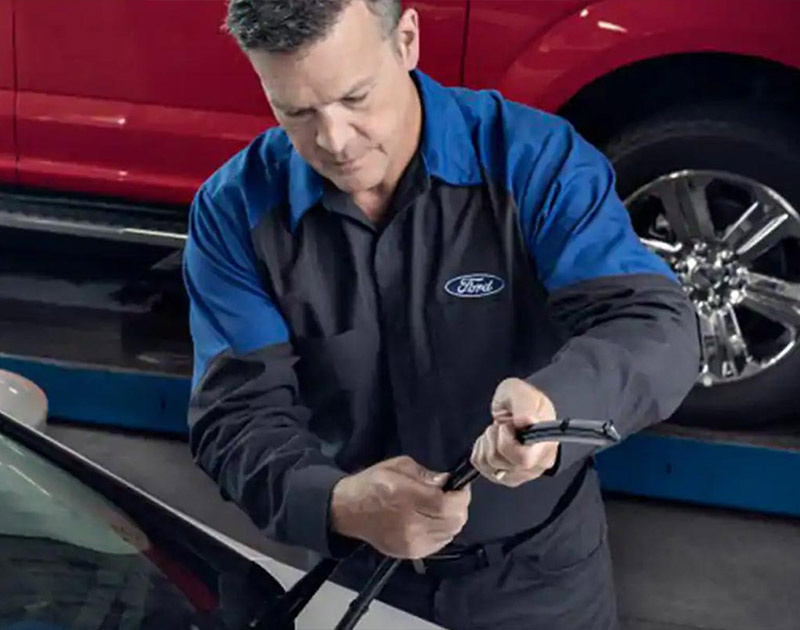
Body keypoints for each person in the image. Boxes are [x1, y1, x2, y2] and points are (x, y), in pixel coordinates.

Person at [182, 1, 702, 628]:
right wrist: (339, 504)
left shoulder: (533, 163)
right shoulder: (234, 211)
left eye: (356, 96)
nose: (335, 140)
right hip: (352, 573)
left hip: (538, 582)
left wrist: (556, 405)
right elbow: (235, 416)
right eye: (297, 111)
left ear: (406, 40)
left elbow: (656, 325)